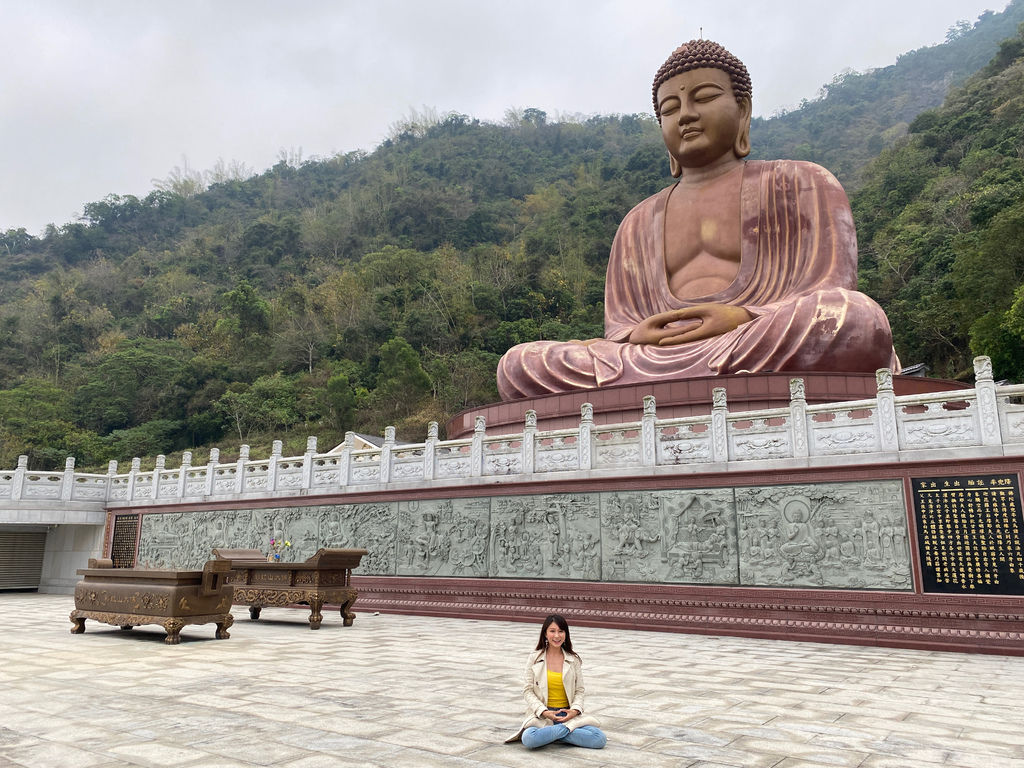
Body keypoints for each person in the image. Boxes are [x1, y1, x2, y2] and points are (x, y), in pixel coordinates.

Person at [496, 39, 898, 400]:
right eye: (670, 108)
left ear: (742, 110)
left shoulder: (801, 182)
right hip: (655, 358)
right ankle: (682, 384)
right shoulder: (638, 221)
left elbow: (828, 288)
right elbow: (621, 328)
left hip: (752, 337)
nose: (685, 115)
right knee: (520, 364)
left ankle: (663, 390)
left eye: (703, 97)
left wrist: (742, 316)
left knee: (853, 318)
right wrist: (637, 334)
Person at [505, 614, 607, 749]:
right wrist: (544, 712)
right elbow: (528, 691)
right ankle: (564, 733)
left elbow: (579, 691)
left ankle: (552, 735)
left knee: (599, 739)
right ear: (545, 634)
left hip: (567, 715)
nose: (557, 636)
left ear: (566, 634)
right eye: (552, 631)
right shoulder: (534, 658)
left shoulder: (573, 660)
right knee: (529, 738)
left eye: (561, 631)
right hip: (543, 715)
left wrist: (574, 711)